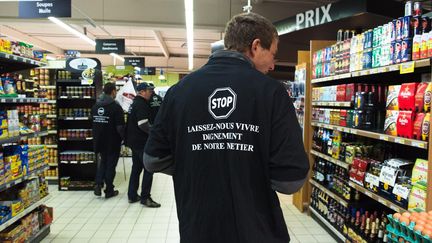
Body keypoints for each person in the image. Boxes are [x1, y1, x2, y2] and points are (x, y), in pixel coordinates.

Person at [143, 12, 310, 243]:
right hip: (257, 231)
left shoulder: (179, 91)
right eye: (273, 55)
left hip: (198, 228)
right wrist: (250, 166)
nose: (273, 65)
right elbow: (291, 180)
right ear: (255, 46)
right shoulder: (272, 93)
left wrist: (197, 160)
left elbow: (153, 159)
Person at [125, 82, 161, 207]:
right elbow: (143, 124)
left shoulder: (135, 102)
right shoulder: (141, 104)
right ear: (141, 92)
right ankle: (146, 197)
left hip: (134, 141)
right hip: (141, 142)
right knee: (148, 169)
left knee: (136, 168)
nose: (151, 93)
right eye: (149, 91)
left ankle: (132, 195)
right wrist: (154, 133)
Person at [91, 82, 125, 198]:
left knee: (103, 162)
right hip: (112, 141)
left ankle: (98, 184)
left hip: (99, 140)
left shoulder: (95, 106)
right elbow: (120, 127)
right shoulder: (115, 107)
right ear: (113, 91)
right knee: (111, 165)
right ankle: (109, 190)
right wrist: (124, 138)